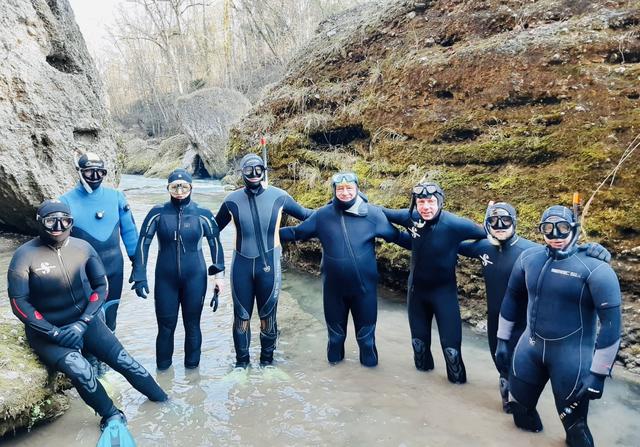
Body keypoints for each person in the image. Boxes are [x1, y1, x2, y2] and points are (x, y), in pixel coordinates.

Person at [7, 200, 167, 444]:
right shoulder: (25, 255)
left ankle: (164, 401)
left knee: (126, 362)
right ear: (40, 222)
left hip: (85, 322)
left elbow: (101, 287)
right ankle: (112, 415)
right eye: (51, 221)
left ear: (72, 222)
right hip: (49, 333)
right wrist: (53, 332)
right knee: (81, 371)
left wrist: (83, 323)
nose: (58, 226)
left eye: (65, 221)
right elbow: (19, 303)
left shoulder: (83, 248)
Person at [459, 202, 611, 411]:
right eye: (493, 221)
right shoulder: (483, 247)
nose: (500, 225)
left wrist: (595, 249)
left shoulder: (531, 252)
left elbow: (564, 254)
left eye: (506, 220)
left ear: (515, 223)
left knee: (528, 376)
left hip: (530, 327)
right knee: (505, 378)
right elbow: (446, 239)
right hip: (499, 322)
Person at [496, 205, 621, 447]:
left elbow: (612, 327)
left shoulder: (596, 268)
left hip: (572, 358)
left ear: (574, 229)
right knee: (520, 414)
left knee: (575, 430)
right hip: (528, 350)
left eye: (562, 228)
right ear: (541, 230)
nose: (555, 235)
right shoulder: (529, 259)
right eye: (548, 229)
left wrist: (598, 375)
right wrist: (503, 340)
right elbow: (511, 298)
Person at [280, 172, 411, 367]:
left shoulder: (372, 215)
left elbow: (398, 237)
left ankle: (368, 391)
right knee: (335, 340)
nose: (345, 192)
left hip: (364, 291)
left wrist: (427, 243)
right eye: (340, 189)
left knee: (366, 342)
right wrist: (264, 234)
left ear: (357, 188)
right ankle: (334, 387)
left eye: (349, 188)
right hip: (333, 291)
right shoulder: (322, 216)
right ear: (334, 190)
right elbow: (296, 232)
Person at [215, 153, 312, 368]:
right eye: (249, 170)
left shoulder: (279, 196)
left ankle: (267, 363)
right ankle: (241, 365)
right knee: (241, 317)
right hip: (241, 266)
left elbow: (308, 215)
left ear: (264, 171)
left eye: (258, 169)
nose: (254, 174)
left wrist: (337, 211)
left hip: (269, 267)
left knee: (268, 316)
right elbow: (212, 230)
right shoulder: (231, 200)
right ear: (242, 173)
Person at [383, 181, 485, 383]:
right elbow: (379, 212)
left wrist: (459, 247)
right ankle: (421, 397)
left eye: (430, 201)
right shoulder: (409, 218)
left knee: (452, 353)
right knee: (419, 347)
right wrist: (392, 235)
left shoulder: (455, 224)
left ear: (440, 202)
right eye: (421, 202)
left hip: (443, 295)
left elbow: (489, 233)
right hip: (416, 294)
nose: (426, 207)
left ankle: (458, 395)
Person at [130, 169, 225, 370]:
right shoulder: (158, 213)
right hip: (166, 279)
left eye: (184, 186)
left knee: (192, 326)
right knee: (165, 328)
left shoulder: (203, 214)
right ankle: (163, 375)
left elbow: (215, 244)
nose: (179, 191)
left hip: (195, 278)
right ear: (168, 189)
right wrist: (139, 274)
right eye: (174, 187)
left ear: (191, 188)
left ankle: (193, 377)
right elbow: (143, 243)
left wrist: (219, 276)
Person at [60, 152, 138, 332]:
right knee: (88, 317)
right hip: (81, 272)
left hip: (114, 269)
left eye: (100, 172)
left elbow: (130, 233)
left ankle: (105, 356)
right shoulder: (65, 202)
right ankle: (88, 354)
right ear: (79, 172)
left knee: (111, 314)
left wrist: (138, 265)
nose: (95, 177)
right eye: (89, 172)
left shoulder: (116, 197)